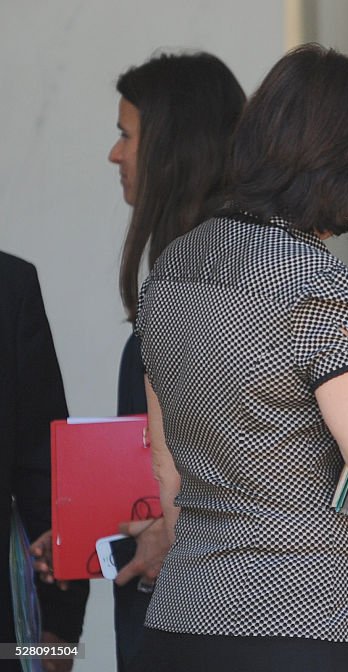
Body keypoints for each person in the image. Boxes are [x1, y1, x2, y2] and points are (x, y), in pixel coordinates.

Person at [129, 44, 348, 671]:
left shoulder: (177, 262)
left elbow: (169, 470)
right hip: (291, 623)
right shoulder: (312, 283)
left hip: (179, 616)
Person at [108, 51, 245, 670]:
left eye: (125, 135)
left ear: (171, 148)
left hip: (202, 620)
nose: (115, 155)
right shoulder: (186, 283)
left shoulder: (218, 295)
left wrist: (180, 531)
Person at [1, 251, 89, 672]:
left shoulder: (10, 284)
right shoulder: (10, 282)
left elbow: (46, 471)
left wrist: (60, 628)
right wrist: (60, 631)